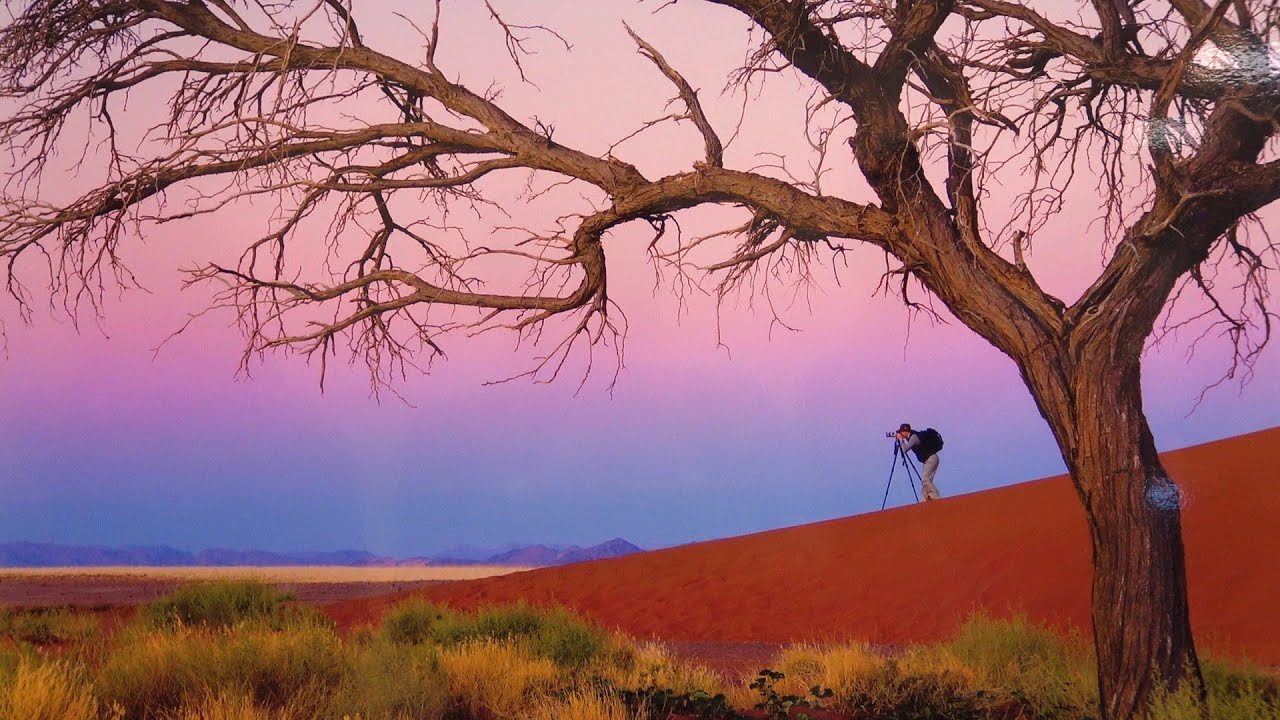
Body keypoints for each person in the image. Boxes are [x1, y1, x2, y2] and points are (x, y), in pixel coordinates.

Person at [895, 423, 942, 501]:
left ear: (906, 431)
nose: (901, 434)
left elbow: (904, 450)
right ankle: (926, 499)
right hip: (928, 460)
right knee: (925, 480)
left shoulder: (914, 437)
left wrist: (901, 440)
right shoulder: (912, 436)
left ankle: (937, 498)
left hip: (931, 459)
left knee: (926, 479)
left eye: (902, 432)